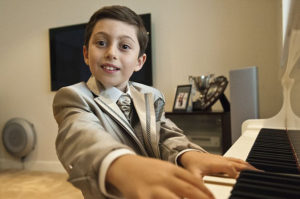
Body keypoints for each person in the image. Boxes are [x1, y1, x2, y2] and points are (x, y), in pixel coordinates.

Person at [53, 5, 255, 199]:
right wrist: (120, 164)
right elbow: (80, 136)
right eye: (101, 43)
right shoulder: (74, 96)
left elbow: (165, 135)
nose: (111, 53)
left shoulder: (151, 95)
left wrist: (188, 153)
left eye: (124, 46)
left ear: (140, 61)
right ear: (86, 54)